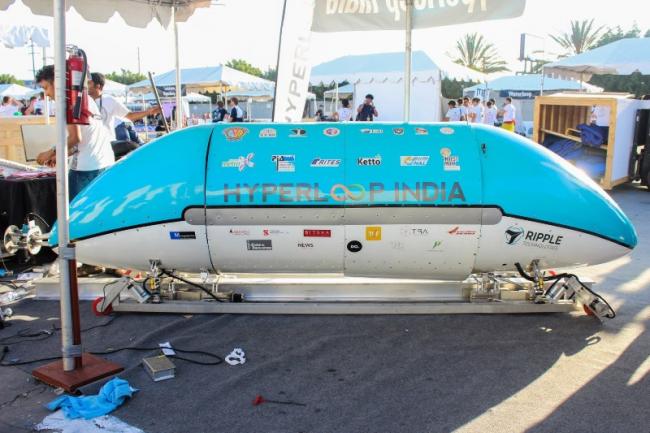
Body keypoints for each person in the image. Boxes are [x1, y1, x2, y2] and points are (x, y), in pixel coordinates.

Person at [34, 65, 114, 200]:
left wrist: (50, 152)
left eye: (46, 87)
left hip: (86, 170)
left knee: (74, 211)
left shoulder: (67, 104)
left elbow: (75, 138)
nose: (46, 94)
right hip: (104, 164)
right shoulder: (85, 98)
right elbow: (86, 138)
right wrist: (60, 154)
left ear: (57, 83)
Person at [88, 72, 159, 138]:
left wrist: (149, 112)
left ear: (98, 86)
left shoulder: (109, 100)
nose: (85, 86)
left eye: (89, 83)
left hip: (106, 143)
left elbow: (130, 116)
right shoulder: (84, 101)